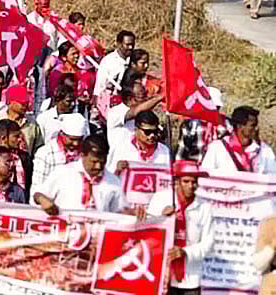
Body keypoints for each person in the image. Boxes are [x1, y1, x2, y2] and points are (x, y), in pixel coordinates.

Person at [146, 160, 213, 295]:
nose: (191, 186)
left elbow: (208, 243)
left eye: (194, 182)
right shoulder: (160, 199)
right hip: (161, 273)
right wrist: (161, 218)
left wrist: (185, 252)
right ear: (177, 181)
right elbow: (146, 233)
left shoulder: (205, 207)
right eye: (186, 181)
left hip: (191, 277)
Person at [34, 134, 125, 215]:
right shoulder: (63, 173)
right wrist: (43, 200)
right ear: (82, 155)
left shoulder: (113, 182)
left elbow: (119, 212)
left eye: (102, 162)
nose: (98, 166)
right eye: (94, 162)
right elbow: (38, 195)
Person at [202, 105, 276, 174]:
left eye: (256, 125)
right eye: (252, 125)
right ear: (240, 126)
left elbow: (273, 177)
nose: (256, 129)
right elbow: (206, 174)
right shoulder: (217, 148)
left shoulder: (265, 150)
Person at [31, 113, 87, 191]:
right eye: (72, 139)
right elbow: (37, 188)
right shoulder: (46, 153)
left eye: (79, 139)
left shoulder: (85, 152)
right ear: (61, 134)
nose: (76, 143)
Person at [106, 111, 171, 175]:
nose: (152, 135)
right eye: (147, 132)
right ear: (136, 130)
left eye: (155, 131)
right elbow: (109, 178)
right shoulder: (122, 147)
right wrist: (118, 170)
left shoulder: (164, 150)